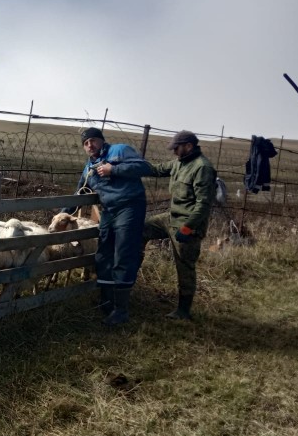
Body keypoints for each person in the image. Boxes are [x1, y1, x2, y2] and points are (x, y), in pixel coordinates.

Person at [65, 127, 151, 325]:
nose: (90, 145)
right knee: (103, 253)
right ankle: (106, 301)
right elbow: (80, 194)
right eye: (86, 143)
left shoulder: (119, 151)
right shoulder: (89, 168)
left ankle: (121, 310)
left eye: (93, 140)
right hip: (109, 211)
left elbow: (144, 167)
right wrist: (63, 214)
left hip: (130, 206)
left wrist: (114, 169)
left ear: (101, 140)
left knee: (123, 253)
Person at [142, 130, 217, 320]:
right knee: (141, 228)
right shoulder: (178, 163)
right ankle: (131, 273)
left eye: (177, 147)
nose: (174, 151)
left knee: (184, 266)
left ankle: (183, 310)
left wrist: (188, 227)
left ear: (188, 146)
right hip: (171, 218)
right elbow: (157, 169)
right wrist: (127, 164)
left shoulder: (202, 168)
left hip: (187, 224)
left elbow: (203, 204)